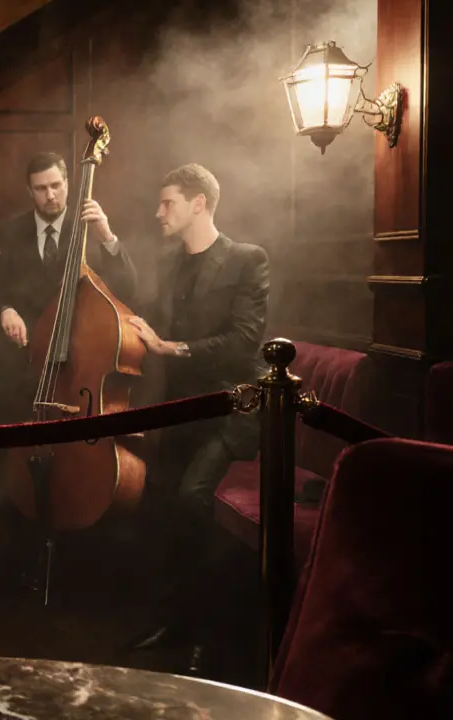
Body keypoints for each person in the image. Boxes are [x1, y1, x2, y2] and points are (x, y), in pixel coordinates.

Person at [125, 164, 269, 675]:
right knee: (161, 502)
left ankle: (213, 635)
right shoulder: (171, 262)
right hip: (182, 411)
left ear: (198, 204)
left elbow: (245, 341)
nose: (158, 212)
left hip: (232, 410)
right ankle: (176, 621)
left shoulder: (247, 259)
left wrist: (174, 347)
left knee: (192, 500)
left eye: (167, 203)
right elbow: (142, 313)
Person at [0, 151, 139, 416]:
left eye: (56, 186)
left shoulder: (92, 228)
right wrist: (5, 309)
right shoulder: (9, 232)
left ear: (67, 184)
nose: (50, 195)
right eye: (41, 188)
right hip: (24, 358)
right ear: (29, 191)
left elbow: (128, 288)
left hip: (79, 358)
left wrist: (106, 235)